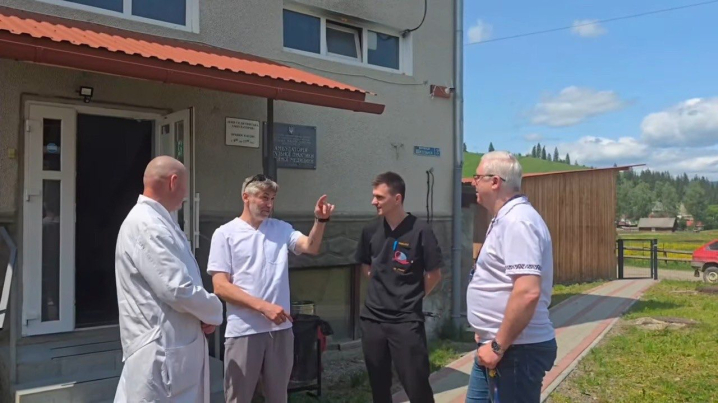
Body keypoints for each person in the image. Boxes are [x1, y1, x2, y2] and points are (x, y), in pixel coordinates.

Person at [207, 174, 335, 403]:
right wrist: (264, 307)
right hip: (244, 331)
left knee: (278, 397)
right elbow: (221, 286)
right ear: (246, 197)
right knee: (239, 398)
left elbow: (311, 246)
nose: (269, 204)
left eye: (272, 199)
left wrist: (320, 220)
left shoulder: (281, 228)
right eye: (264, 197)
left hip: (280, 330)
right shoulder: (225, 233)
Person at [114, 156, 223, 403]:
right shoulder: (148, 224)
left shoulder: (158, 221)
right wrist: (213, 310)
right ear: (174, 182)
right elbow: (177, 289)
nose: (186, 195)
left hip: (170, 345)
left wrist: (201, 314)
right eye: (185, 186)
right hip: (161, 351)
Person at [466, 151, 557, 403]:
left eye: (477, 177)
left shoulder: (518, 221)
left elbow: (528, 292)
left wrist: (498, 345)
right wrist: (486, 329)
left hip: (514, 351)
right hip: (499, 346)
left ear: (495, 181)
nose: (473, 183)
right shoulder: (506, 218)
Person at [355, 171, 443, 403]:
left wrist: (411, 296)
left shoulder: (420, 231)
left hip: (406, 321)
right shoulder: (370, 230)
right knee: (379, 387)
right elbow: (365, 265)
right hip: (373, 320)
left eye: (379, 197)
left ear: (397, 198)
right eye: (374, 196)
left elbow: (434, 274)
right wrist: (381, 287)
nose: (373, 201)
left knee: (417, 385)